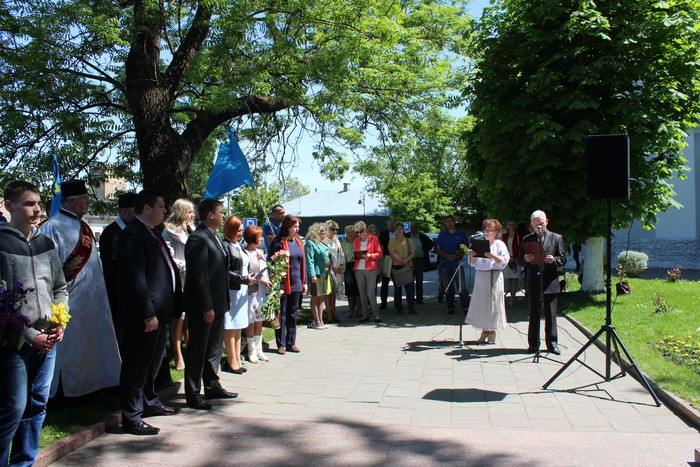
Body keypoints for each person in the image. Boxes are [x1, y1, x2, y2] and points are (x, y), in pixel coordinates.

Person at [0, 181, 68, 465]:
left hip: (48, 339)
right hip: (12, 343)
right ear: (9, 206)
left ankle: (24, 462)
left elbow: (60, 287)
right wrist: (29, 334)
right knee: (13, 408)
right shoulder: (2, 243)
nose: (37, 209)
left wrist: (59, 320)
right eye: (29, 204)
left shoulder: (45, 242)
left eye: (38, 203)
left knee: (37, 404)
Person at [40, 179, 121, 397]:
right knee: (72, 348)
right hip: (71, 299)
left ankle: (95, 386)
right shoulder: (51, 227)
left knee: (93, 345)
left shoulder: (83, 225)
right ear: (72, 201)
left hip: (93, 301)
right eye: (84, 198)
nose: (87, 202)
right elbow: (49, 267)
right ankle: (67, 391)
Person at [116, 190, 183, 436]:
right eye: (161, 205)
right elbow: (137, 279)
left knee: (153, 364)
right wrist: (147, 313)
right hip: (144, 315)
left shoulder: (150, 233)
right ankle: (132, 416)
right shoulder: (132, 235)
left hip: (160, 312)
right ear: (146, 208)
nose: (165, 210)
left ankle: (150, 402)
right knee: (137, 365)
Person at [183, 198, 237, 410]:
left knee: (214, 348)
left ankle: (212, 385)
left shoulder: (215, 237)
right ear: (210, 215)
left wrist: (224, 299)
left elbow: (219, 272)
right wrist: (207, 306)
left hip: (218, 303)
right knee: (198, 349)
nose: (224, 216)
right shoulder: (198, 238)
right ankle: (193, 392)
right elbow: (199, 276)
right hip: (204, 306)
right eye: (221, 212)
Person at [518, 210, 566, 355]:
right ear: (531, 225)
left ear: (546, 222)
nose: (538, 227)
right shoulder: (527, 239)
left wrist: (553, 260)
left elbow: (563, 259)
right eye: (535, 225)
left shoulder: (556, 238)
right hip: (533, 279)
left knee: (551, 314)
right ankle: (533, 345)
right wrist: (525, 260)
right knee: (533, 313)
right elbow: (520, 259)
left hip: (549, 280)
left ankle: (552, 344)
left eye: (541, 224)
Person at [99, 192, 136, 347]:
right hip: (119, 295)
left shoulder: (136, 230)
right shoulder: (111, 233)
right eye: (137, 210)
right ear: (125, 211)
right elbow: (113, 266)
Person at [162, 199, 195, 371]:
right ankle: (178, 354)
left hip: (192, 280)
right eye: (189, 211)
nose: (192, 215)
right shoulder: (169, 231)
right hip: (179, 280)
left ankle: (189, 350)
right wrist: (186, 266)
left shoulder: (191, 230)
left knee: (189, 317)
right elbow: (169, 257)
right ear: (181, 212)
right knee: (179, 318)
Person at [465, 219, 509, 344]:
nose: (487, 232)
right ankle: (484, 331)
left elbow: (505, 261)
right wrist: (472, 255)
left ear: (496, 232)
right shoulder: (479, 243)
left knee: (494, 303)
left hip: (494, 276)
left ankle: (492, 332)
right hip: (481, 276)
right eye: (486, 230)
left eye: (491, 230)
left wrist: (492, 256)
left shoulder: (499, 244)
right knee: (481, 303)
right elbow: (473, 264)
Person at [268, 215, 306, 354]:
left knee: (293, 314)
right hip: (283, 284)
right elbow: (271, 261)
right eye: (295, 226)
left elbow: (303, 263)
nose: (297, 229)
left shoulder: (298, 242)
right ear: (287, 226)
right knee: (282, 314)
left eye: (297, 227)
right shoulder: (278, 242)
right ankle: (281, 344)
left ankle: (291, 342)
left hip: (296, 282)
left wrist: (304, 282)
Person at [222, 216, 253, 374]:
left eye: (241, 230)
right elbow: (225, 271)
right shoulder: (225, 245)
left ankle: (237, 357)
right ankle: (231, 359)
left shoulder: (238, 246)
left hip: (242, 288)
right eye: (238, 230)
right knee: (230, 324)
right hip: (232, 289)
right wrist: (244, 279)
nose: (241, 233)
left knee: (239, 324)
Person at [242, 225, 271, 364]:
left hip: (260, 291)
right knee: (251, 320)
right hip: (250, 291)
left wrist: (266, 280)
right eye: (259, 236)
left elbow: (263, 270)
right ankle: (251, 350)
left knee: (259, 319)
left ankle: (259, 349)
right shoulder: (245, 252)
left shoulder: (260, 252)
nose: (261, 238)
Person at [434, 215, 470, 315]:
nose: (449, 223)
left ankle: (466, 307)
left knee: (462, 287)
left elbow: (466, 247)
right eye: (447, 221)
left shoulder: (461, 234)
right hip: (444, 265)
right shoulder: (442, 234)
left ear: (454, 222)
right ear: (446, 223)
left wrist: (457, 255)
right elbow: (437, 248)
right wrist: (446, 255)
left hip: (457, 264)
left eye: (451, 221)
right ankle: (450, 307)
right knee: (448, 287)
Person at [352, 220, 382, 323]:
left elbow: (379, 253)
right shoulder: (356, 241)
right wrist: (355, 256)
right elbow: (355, 253)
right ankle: (365, 315)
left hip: (371, 268)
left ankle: (376, 314)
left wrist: (370, 256)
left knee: (370, 292)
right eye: (357, 232)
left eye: (361, 231)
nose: (359, 234)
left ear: (365, 229)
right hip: (359, 268)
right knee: (362, 293)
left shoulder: (373, 238)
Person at [305, 222, 333, 330]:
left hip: (325, 273)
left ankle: (320, 320)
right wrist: (312, 275)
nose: (324, 236)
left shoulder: (323, 243)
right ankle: (316, 321)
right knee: (315, 297)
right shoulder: (310, 243)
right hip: (316, 274)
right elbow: (309, 260)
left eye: (324, 234)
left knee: (322, 297)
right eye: (322, 234)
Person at [388, 222, 416, 314]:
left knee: (409, 289)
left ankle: (411, 307)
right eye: (397, 229)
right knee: (398, 289)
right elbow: (392, 253)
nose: (399, 231)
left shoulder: (409, 241)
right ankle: (399, 307)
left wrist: (406, 260)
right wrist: (401, 260)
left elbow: (413, 253)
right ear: (395, 231)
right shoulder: (392, 241)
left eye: (400, 228)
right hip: (396, 267)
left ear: (404, 229)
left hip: (407, 266)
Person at [324, 219, 344, 323]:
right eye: (333, 229)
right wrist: (332, 267)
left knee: (334, 293)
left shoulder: (336, 241)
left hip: (336, 270)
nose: (335, 232)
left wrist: (340, 266)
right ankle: (329, 314)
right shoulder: (323, 241)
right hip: (327, 270)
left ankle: (334, 312)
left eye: (336, 229)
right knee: (328, 292)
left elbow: (341, 254)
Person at [408, 221, 434, 304]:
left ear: (417, 228)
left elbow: (431, 244)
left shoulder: (422, 236)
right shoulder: (407, 236)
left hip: (419, 260)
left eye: (414, 227)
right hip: (410, 261)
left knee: (419, 281)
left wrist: (424, 251)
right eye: (411, 227)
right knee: (410, 281)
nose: (412, 229)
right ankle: (411, 298)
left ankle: (419, 299)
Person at [341, 225, 361, 318]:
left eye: (352, 232)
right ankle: (351, 309)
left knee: (358, 289)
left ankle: (358, 309)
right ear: (346, 234)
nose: (350, 234)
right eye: (348, 232)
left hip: (357, 266)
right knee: (349, 290)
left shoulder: (359, 242)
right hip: (348, 267)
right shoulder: (343, 244)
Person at [501, 220, 523, 307]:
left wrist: (515, 257)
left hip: (516, 259)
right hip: (506, 259)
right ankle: (510, 296)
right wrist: (507, 257)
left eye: (513, 224)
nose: (511, 226)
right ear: (507, 226)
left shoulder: (519, 236)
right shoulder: (504, 236)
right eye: (510, 225)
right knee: (509, 278)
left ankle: (513, 298)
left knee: (515, 278)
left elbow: (520, 248)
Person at [377, 219, 396, 309]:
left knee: (397, 283)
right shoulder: (383, 234)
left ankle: (397, 302)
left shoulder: (400, 233)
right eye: (390, 227)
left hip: (397, 260)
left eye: (393, 227)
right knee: (385, 283)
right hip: (386, 260)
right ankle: (383, 303)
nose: (391, 228)